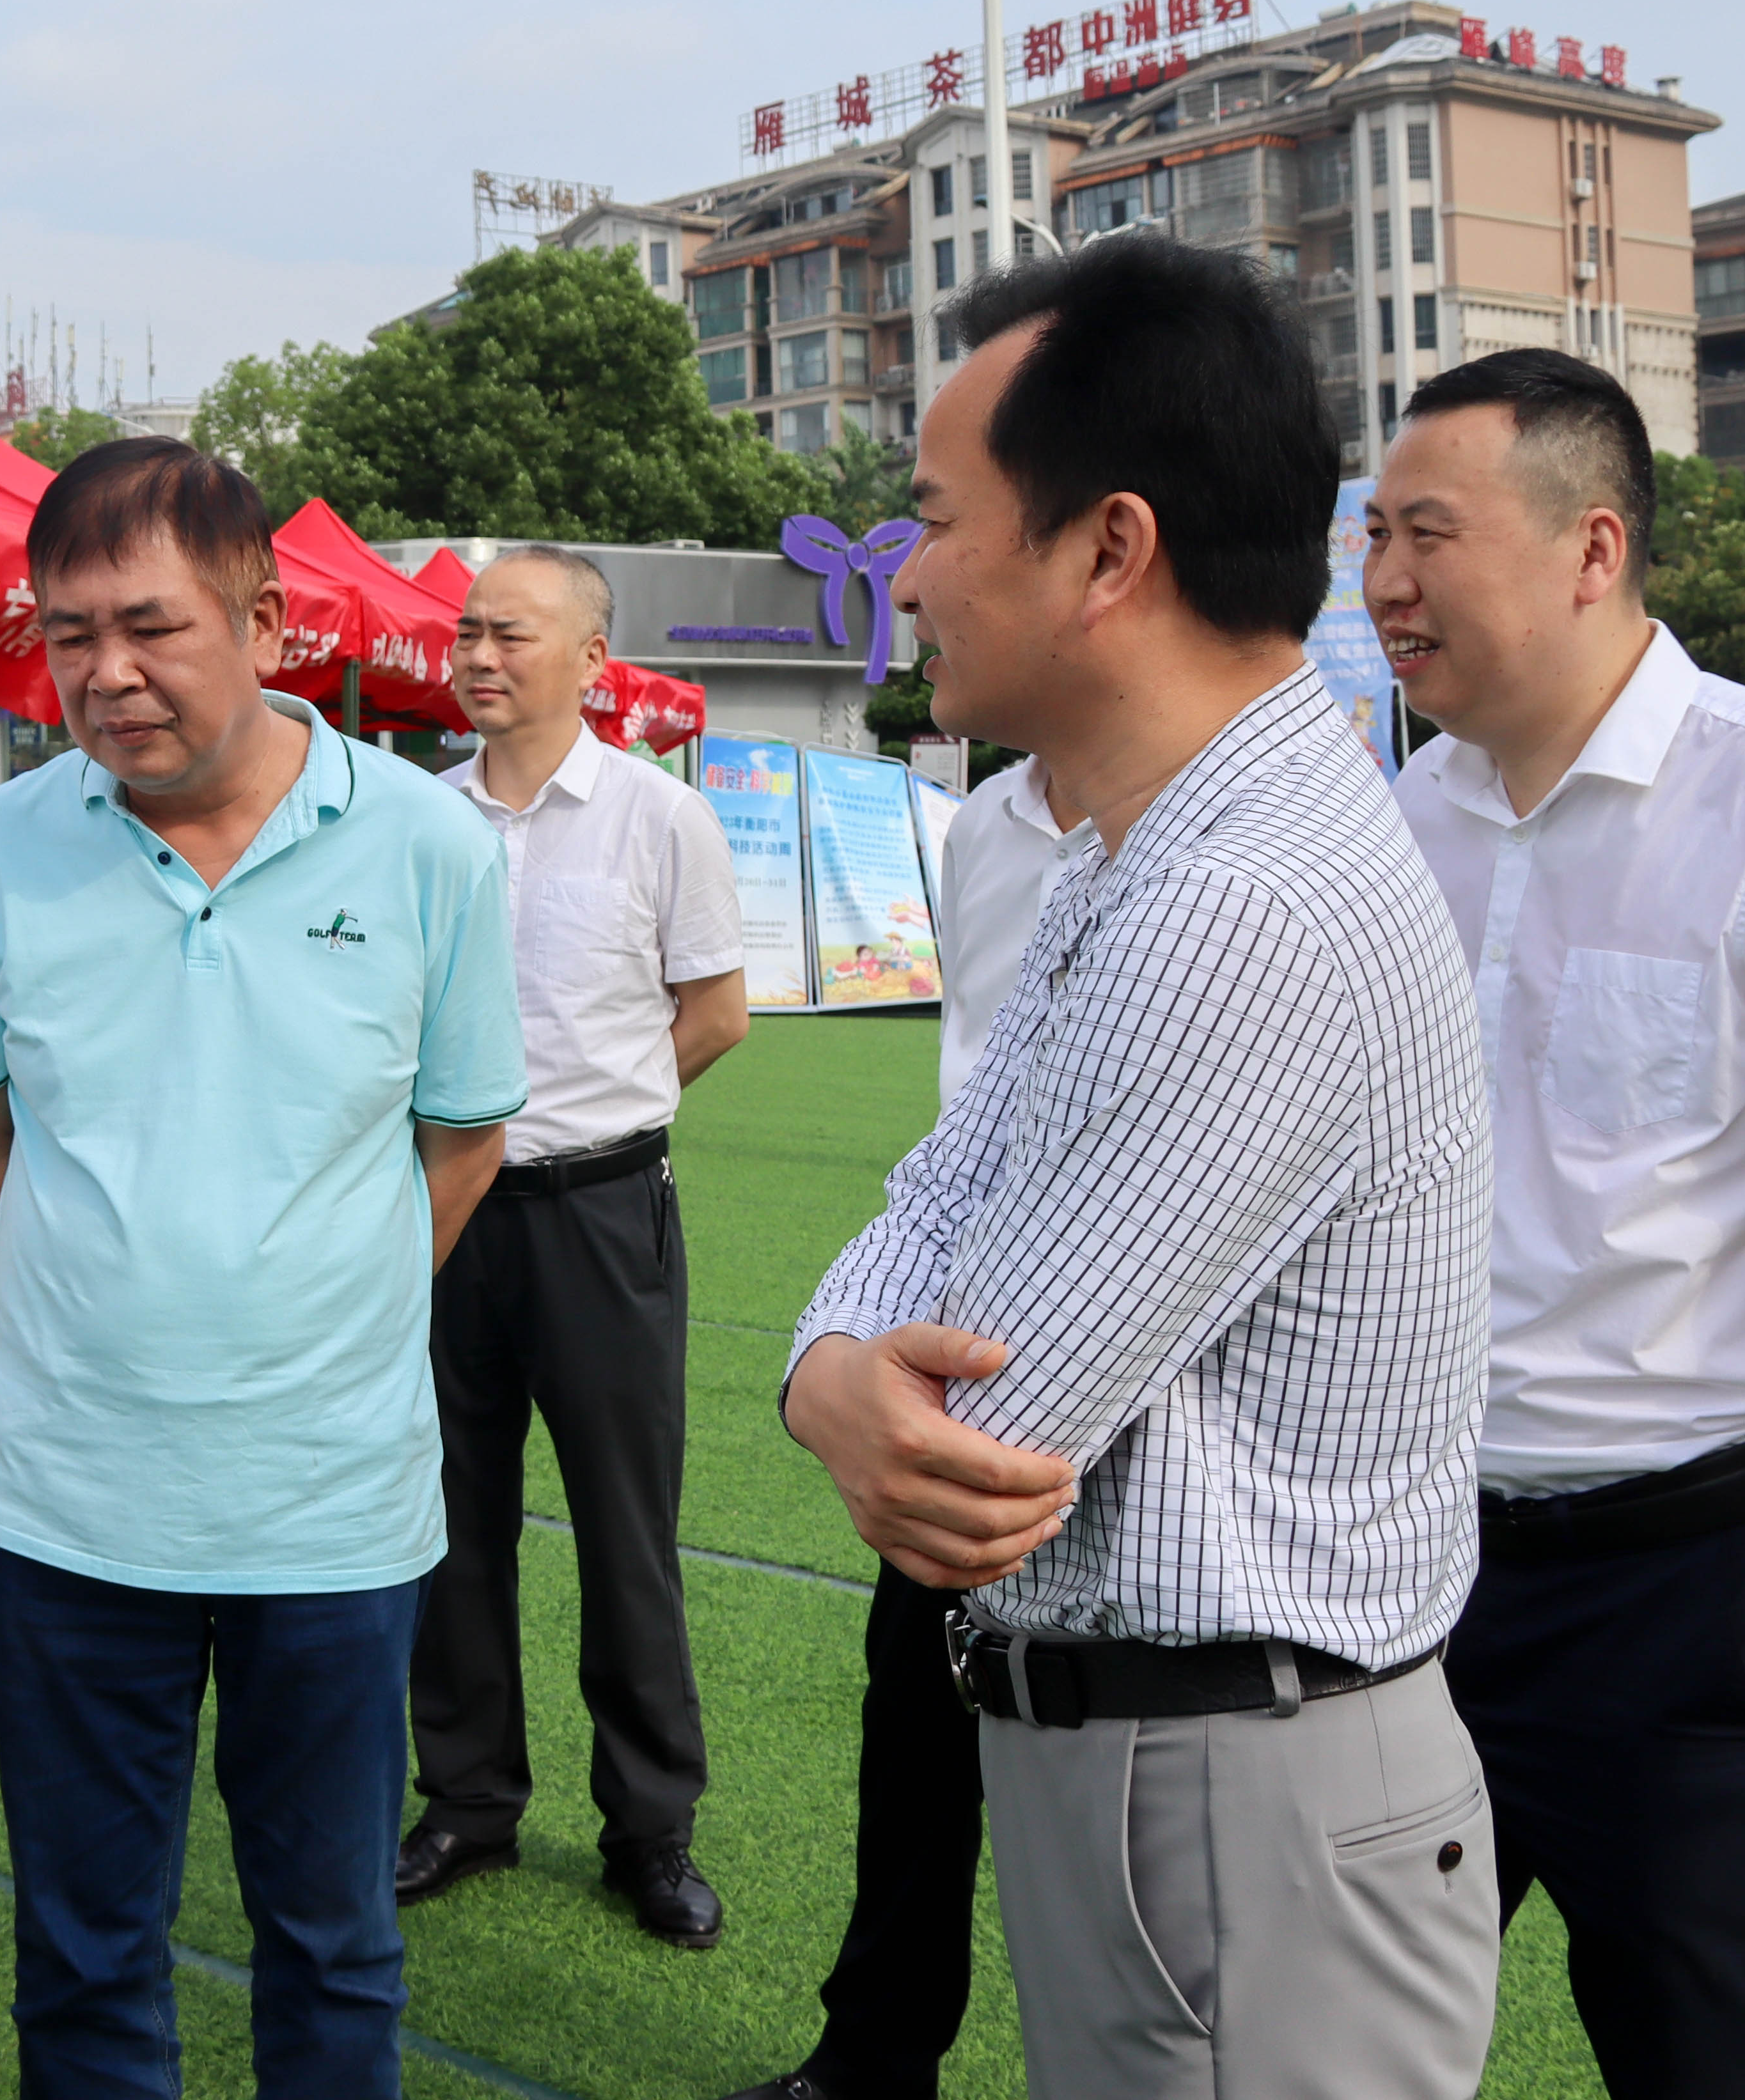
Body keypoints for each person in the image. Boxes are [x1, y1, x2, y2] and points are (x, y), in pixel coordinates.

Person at [783, 233, 1501, 2100]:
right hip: (1171, 1776)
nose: (904, 573)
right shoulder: (1138, 847)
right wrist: (828, 1367)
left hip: (1234, 1797)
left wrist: (857, 1380)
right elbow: (938, 1190)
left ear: (1108, 550)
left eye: (939, 517)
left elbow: (982, 1434)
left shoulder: (1231, 903)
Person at [1366, 350, 1745, 2100]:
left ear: (1593, 548)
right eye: (1374, 537)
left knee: (1713, 2055)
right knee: (1340, 2042)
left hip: (1695, 1586)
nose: (1386, 581)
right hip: (1414, 1566)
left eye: (1428, 536)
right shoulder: (1407, 816)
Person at [0, 439, 524, 2097]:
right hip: (65, 1497)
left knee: (331, 1944)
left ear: (265, 621)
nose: (106, 674)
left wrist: (312, 1306)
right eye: (69, 634)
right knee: (84, 1949)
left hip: (327, 1506)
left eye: (151, 626)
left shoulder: (426, 845)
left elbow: (461, 1138)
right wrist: (117, 1288)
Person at [398, 544, 746, 1948]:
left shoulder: (662, 816)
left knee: (625, 1529)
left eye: (513, 634)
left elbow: (714, 1013)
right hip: (443, 1212)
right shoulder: (415, 818)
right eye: (468, 633)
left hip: (604, 1216)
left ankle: (650, 1828)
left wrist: (600, 1110)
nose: (480, 656)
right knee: (445, 1520)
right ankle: (468, 1800)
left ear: (595, 659)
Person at [722, 751, 1082, 2100]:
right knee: (916, 1732)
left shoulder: (1227, 838)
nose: (924, 642)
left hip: (1148, 1377)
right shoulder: (983, 826)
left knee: (1124, 1789)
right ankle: (873, 2057)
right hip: (956, 1358)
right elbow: (967, 1107)